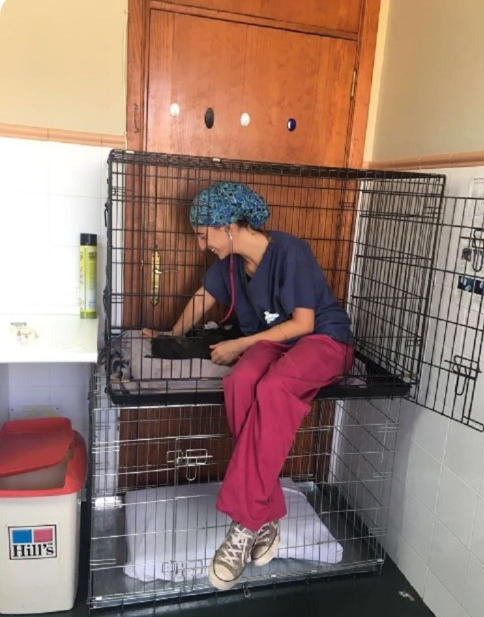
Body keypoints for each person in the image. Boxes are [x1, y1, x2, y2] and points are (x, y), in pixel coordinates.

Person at [145, 181, 354, 591]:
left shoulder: (291, 251)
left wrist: (240, 344)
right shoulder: (231, 267)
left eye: (204, 235)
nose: (203, 245)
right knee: (241, 381)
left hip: (323, 341)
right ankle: (266, 515)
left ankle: (243, 525)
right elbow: (203, 297)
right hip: (275, 343)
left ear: (228, 226)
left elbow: (303, 324)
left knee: (273, 388)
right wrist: (171, 336)